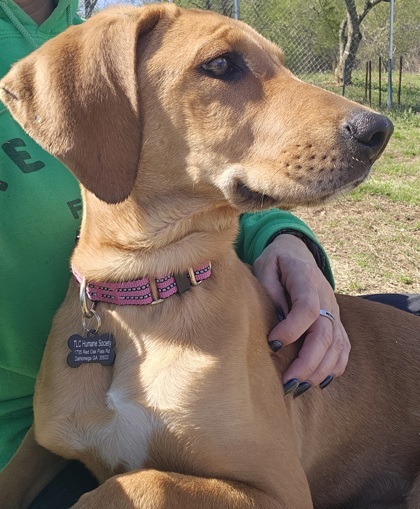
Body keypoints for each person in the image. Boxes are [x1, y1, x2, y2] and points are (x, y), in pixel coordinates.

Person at [1, 0, 418, 505]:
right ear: (98, 115)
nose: (359, 123)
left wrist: (289, 239)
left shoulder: (88, 25)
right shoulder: (104, 48)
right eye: (221, 66)